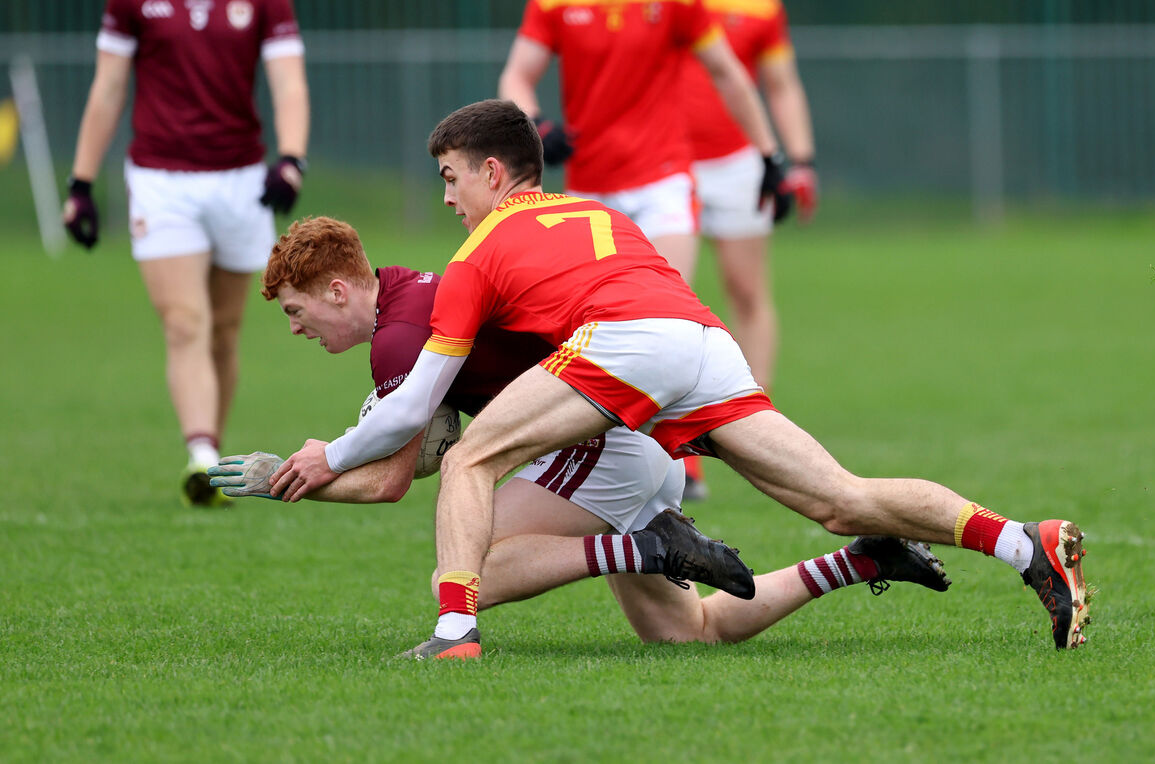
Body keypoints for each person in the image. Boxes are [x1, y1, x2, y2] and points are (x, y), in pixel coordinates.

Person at [269, 100, 1091, 657]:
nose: (446, 198)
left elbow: (414, 403)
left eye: (450, 178)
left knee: (470, 461)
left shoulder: (478, 252)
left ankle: (455, 635)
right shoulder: (597, 211)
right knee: (840, 499)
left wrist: (329, 457)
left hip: (626, 346)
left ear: (493, 172)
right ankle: (1028, 544)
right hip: (701, 342)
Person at [207, 215, 951, 657]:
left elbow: (395, 477)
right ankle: (861, 560)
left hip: (600, 447)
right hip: (626, 443)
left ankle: (646, 544)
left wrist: (295, 475)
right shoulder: (411, 290)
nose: (298, 327)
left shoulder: (398, 341)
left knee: (458, 578)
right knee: (689, 633)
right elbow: (406, 444)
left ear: (340, 290)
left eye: (297, 310)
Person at [497, 0, 796, 500]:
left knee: (668, 318)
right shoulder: (552, 6)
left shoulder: (677, 5)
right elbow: (517, 76)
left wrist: (769, 153)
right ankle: (597, 450)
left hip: (664, 181)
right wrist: (535, 122)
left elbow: (727, 72)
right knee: (584, 324)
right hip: (590, 189)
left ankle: (685, 457)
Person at [62, 0, 310, 507]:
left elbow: (288, 82)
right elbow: (108, 88)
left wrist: (290, 160)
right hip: (160, 182)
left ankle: (210, 463)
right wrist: (81, 182)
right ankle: (200, 455)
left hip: (242, 180)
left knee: (222, 329)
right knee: (183, 322)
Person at [683, 0, 819, 393]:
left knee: (747, 291)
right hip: (664, 165)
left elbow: (782, 84)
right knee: (662, 301)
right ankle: (661, 423)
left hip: (738, 165)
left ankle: (754, 407)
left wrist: (800, 160)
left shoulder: (762, 8)